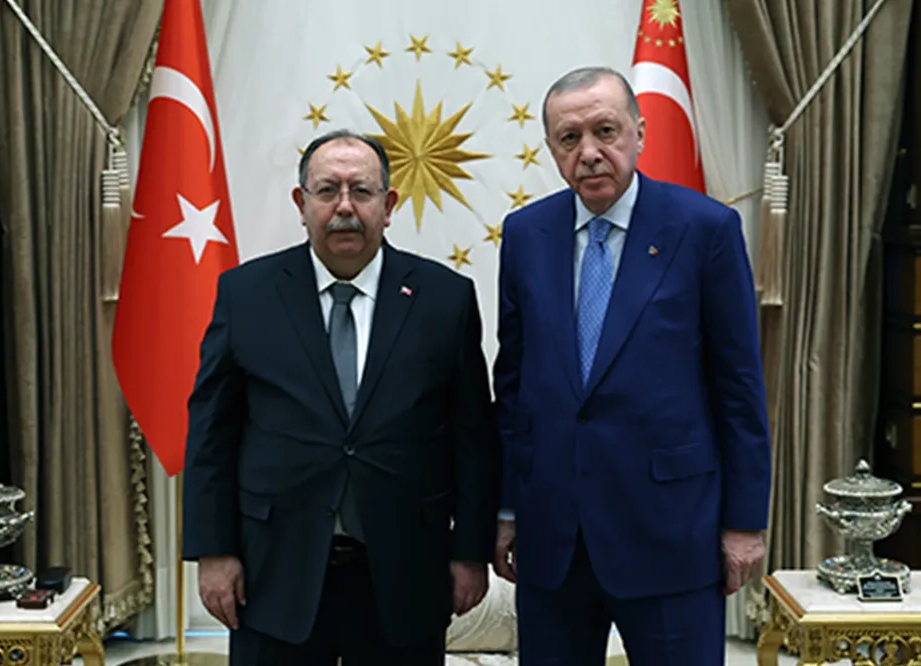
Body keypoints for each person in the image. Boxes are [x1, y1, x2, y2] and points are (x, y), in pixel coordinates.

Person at [181, 129, 501, 666]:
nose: (345, 207)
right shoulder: (247, 294)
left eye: (362, 191)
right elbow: (213, 432)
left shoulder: (445, 298)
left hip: (405, 574)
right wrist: (214, 551)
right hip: (272, 574)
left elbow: (473, 438)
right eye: (328, 190)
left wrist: (470, 551)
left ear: (389, 205)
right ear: (301, 203)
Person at [491, 66, 771, 665]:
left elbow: (739, 385)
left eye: (605, 131)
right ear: (552, 149)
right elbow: (512, 386)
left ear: (639, 133)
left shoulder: (705, 229)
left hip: (671, 532)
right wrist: (507, 508)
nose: (589, 152)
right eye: (570, 138)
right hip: (554, 537)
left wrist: (745, 522)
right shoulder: (525, 234)